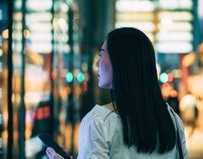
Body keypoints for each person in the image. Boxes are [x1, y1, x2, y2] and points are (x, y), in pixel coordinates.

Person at [46, 28, 189, 159]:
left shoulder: (98, 122)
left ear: (120, 62)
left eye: (101, 56)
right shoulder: (172, 120)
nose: (97, 65)